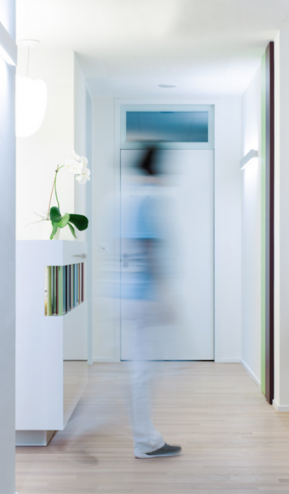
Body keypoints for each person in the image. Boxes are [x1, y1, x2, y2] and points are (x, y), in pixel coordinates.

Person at [120, 146, 182, 459]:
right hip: (144, 297)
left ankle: (145, 438)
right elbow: (149, 249)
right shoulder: (148, 199)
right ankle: (145, 442)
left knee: (141, 370)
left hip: (133, 297)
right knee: (143, 372)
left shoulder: (129, 198)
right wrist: (165, 293)